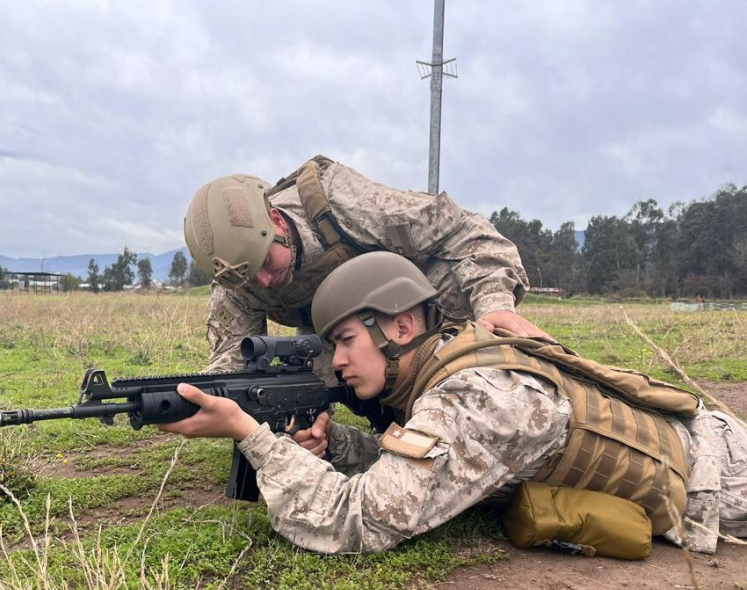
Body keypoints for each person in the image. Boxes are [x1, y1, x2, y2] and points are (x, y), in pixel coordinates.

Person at [160, 252, 747, 555]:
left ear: (402, 323)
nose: (336, 363)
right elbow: (423, 463)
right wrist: (335, 445)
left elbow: (358, 521)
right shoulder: (451, 369)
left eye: (345, 341)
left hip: (723, 480)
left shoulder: (475, 397)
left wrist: (251, 436)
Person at [183, 155, 549, 382]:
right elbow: (232, 363)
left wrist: (494, 304)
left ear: (276, 221)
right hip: (336, 337)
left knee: (451, 284)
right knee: (304, 383)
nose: (262, 281)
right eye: (248, 277)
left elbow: (468, 232)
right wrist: (192, 396)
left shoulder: (341, 202)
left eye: (264, 263)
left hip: (406, 311)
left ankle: (450, 390)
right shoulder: (235, 272)